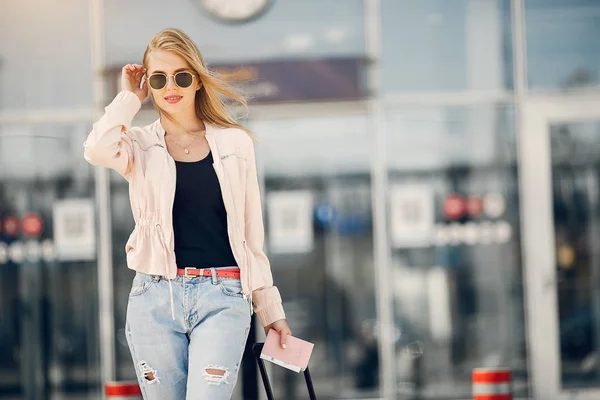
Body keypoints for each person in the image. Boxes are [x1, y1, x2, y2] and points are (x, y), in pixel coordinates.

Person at [83, 27, 291, 399]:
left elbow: (249, 236)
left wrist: (270, 309)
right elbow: (96, 149)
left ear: (196, 80)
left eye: (181, 76)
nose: (170, 87)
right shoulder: (139, 144)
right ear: (150, 84)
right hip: (154, 297)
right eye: (159, 79)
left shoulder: (234, 143)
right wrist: (129, 99)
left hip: (223, 296)